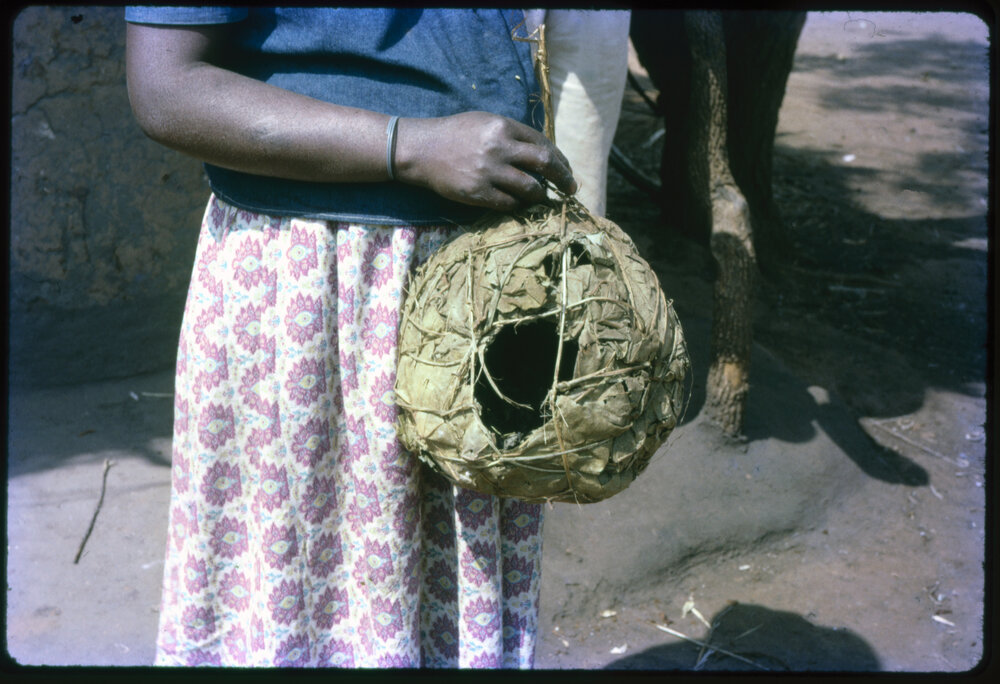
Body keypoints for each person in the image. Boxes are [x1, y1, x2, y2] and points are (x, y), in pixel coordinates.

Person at [124, 7, 576, 668]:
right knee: (313, 597)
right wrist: (411, 146)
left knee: (443, 588)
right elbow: (167, 88)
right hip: (322, 281)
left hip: (471, 282)